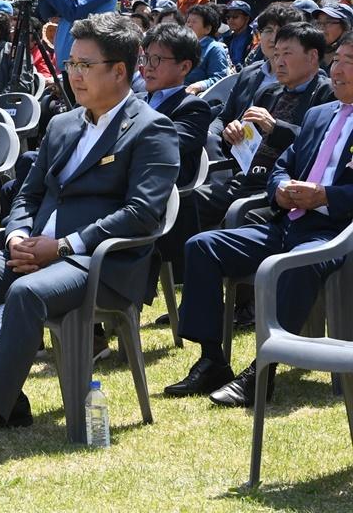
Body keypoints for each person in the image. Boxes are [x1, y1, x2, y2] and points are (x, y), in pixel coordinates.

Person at [0, 12, 178, 468]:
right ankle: (8, 398)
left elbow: (141, 214)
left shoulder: (152, 129)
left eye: (85, 65)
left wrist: (64, 245)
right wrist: (17, 232)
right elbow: (29, 192)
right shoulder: (63, 124)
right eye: (71, 63)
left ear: (120, 70)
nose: (73, 74)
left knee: (24, 293)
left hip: (98, 264)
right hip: (37, 252)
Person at [166, 32, 353, 406]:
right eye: (338, 60)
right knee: (202, 247)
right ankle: (212, 358)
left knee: (296, 264)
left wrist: (326, 196)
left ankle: (260, 373)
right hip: (289, 222)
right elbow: (283, 164)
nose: (339, 69)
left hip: (335, 231)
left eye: (349, 62)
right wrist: (280, 188)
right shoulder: (320, 115)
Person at [196, 22, 333, 230]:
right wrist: (233, 134)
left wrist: (275, 127)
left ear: (313, 56)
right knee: (189, 201)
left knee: (237, 223)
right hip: (245, 179)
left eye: (287, 54)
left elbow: (319, 148)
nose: (278, 62)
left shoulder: (328, 96)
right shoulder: (268, 93)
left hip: (281, 189)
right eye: (276, 54)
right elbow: (244, 145)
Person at [140, 23, 211, 278]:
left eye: (157, 59)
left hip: (158, 190)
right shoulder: (134, 100)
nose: (148, 66)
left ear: (184, 67)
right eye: (146, 57)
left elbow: (165, 146)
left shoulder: (192, 108)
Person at [216, 5, 307, 132]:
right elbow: (224, 117)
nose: (273, 38)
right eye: (268, 30)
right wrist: (219, 132)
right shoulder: (248, 73)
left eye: (281, 31)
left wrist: (275, 128)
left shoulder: (308, 81)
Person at [183, 3, 232, 94]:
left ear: (207, 29)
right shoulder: (182, 45)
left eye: (194, 22)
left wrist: (199, 86)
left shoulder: (215, 48)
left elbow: (220, 78)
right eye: (188, 21)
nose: (189, 25)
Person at [314, 4, 353, 72]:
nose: (321, 28)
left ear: (346, 28)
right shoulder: (312, 54)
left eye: (328, 22)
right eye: (319, 23)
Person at [221, 1, 254, 70]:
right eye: (228, 17)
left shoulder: (255, 39)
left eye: (235, 16)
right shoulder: (226, 38)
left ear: (247, 18)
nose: (231, 20)